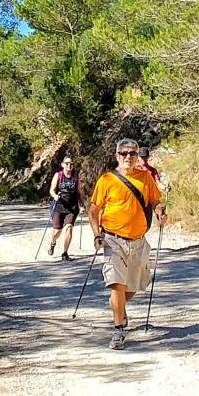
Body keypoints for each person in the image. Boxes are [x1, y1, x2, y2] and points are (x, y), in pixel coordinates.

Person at [88, 138, 167, 350]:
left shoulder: (145, 178)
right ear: (117, 156)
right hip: (113, 240)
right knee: (116, 283)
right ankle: (118, 329)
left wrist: (160, 212)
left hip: (138, 241)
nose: (128, 157)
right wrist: (97, 235)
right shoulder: (106, 180)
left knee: (136, 285)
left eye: (132, 153)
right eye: (124, 153)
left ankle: (119, 309)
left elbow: (155, 201)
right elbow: (94, 211)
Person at [47, 156, 84, 262]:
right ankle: (53, 242)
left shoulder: (76, 176)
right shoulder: (58, 175)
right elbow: (52, 190)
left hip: (72, 207)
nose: (69, 166)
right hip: (58, 206)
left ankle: (65, 253)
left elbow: (79, 192)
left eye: (71, 164)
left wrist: (82, 205)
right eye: (67, 163)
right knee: (57, 231)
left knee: (69, 227)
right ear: (63, 164)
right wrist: (55, 196)